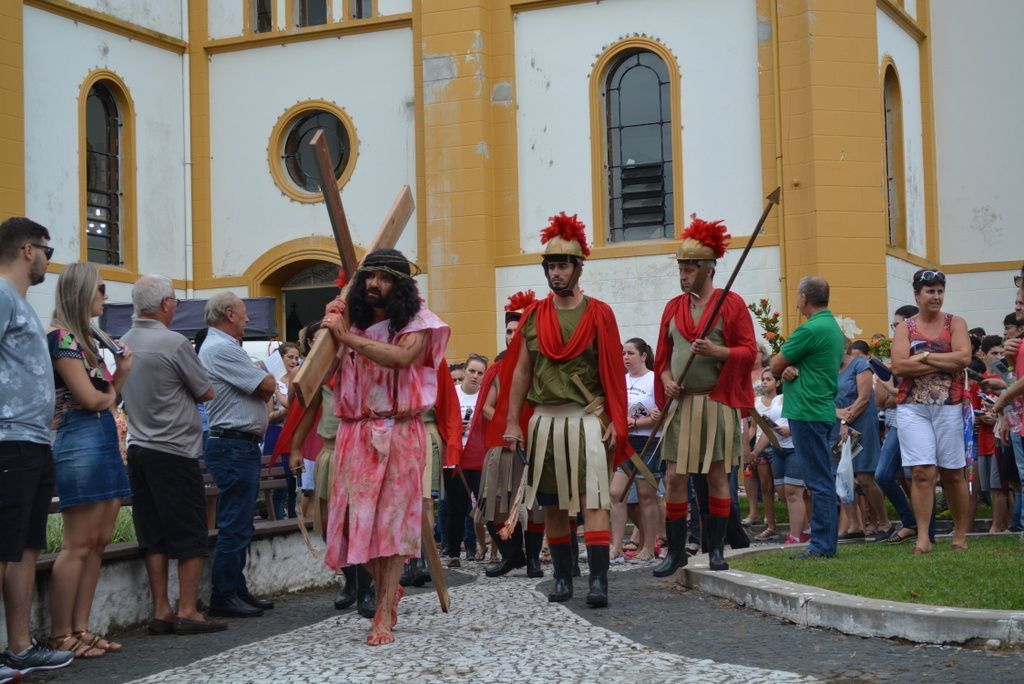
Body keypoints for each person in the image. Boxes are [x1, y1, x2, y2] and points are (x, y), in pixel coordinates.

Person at [488, 212, 630, 608]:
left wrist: (616, 421)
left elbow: (614, 373)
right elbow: (520, 373)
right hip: (545, 423)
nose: (557, 272)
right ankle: (563, 578)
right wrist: (513, 421)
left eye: (563, 264)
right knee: (551, 504)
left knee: (593, 500)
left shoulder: (600, 313)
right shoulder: (533, 315)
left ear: (578, 267)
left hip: (586, 420)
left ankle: (598, 581)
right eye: (551, 265)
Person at [321, 248, 450, 646]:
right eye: (369, 277)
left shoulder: (418, 323)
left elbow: (402, 357)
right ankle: (386, 590)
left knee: (391, 524)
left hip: (399, 432)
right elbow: (321, 373)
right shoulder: (349, 323)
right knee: (360, 523)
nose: (375, 285)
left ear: (401, 286)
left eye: (384, 278)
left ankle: (382, 613)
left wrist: (346, 338)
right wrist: (331, 332)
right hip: (355, 433)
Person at [119, 275, 225, 635]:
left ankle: (161, 608)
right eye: (176, 301)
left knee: (153, 532)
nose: (176, 306)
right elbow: (206, 391)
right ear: (164, 304)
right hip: (174, 448)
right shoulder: (173, 343)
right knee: (190, 531)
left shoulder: (125, 342)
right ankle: (189, 608)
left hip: (139, 447)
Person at [652, 216, 757, 576]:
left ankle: (716, 550)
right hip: (682, 404)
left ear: (709, 269)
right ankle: (676, 551)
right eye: (680, 268)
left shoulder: (732, 304)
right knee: (675, 476)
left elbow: (749, 352)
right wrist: (666, 380)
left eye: (689, 268)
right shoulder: (672, 308)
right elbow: (662, 360)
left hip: (716, 401)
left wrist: (719, 353)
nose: (683, 275)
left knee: (716, 476)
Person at [46, 262, 133, 657]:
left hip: (98, 433)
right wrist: (117, 383)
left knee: (97, 542)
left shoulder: (89, 338)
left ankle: (81, 628)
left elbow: (105, 397)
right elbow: (92, 398)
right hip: (80, 435)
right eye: (100, 289)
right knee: (78, 544)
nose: (106, 296)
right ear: (81, 292)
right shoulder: (62, 337)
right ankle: (61, 633)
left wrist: (117, 381)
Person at [0, 217, 75, 677]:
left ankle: (21, 648)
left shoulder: (22, 302)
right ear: (28, 250)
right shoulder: (3, 295)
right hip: (8, 438)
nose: (50, 258)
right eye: (47, 249)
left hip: (31, 439)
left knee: (26, 547)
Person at [199, 292, 278, 617]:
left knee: (241, 521)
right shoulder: (222, 349)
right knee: (235, 522)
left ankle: (236, 588)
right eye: (244, 314)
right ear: (230, 314)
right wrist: (261, 374)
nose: (248, 320)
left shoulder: (221, 347)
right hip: (233, 445)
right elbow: (268, 386)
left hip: (237, 444)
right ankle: (224, 594)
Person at [891, 269, 971, 554]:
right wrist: (943, 362)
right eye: (930, 291)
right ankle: (923, 537)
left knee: (953, 472)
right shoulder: (905, 328)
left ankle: (960, 535)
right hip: (913, 407)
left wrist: (923, 356)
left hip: (949, 406)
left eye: (939, 291)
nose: (936, 296)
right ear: (917, 294)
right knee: (922, 472)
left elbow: (963, 357)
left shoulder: (955, 323)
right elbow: (899, 366)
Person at [769, 276, 845, 559]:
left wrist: (786, 366)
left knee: (818, 481)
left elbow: (776, 363)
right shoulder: (832, 328)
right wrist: (790, 368)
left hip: (807, 411)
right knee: (822, 478)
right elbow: (791, 366)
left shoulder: (809, 329)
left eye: (797, 296)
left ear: (803, 298)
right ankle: (824, 542)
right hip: (821, 409)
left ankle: (823, 545)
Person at [475, 290, 547, 579]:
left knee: (536, 503)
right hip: (502, 443)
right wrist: (509, 423)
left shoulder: (542, 368)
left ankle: (533, 561)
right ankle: (513, 555)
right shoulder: (497, 369)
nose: (512, 335)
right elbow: (488, 408)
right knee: (492, 505)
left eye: (517, 329)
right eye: (508, 330)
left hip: (536, 441)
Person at [610, 338, 662, 563]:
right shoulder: (621, 381)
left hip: (648, 443)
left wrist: (637, 423)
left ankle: (649, 547)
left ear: (643, 356)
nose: (625, 357)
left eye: (630, 353)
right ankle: (617, 546)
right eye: (623, 353)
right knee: (616, 492)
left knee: (646, 495)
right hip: (626, 443)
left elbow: (660, 415)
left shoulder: (654, 380)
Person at [833, 341, 889, 540]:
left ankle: (884, 522)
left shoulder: (859, 365)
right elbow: (821, 399)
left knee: (864, 477)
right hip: (836, 428)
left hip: (861, 425)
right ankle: (854, 526)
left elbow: (864, 398)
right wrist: (836, 415)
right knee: (842, 475)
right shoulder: (826, 369)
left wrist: (845, 420)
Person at [874, 305, 920, 544]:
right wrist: (889, 380)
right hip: (896, 425)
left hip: (918, 422)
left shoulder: (923, 353)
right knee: (882, 475)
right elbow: (882, 402)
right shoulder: (894, 356)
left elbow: (912, 394)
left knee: (919, 478)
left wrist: (896, 392)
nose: (894, 330)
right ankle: (910, 522)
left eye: (897, 325)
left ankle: (924, 529)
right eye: (894, 326)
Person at [749, 369, 806, 544]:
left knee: (793, 491)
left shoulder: (802, 394)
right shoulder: (776, 400)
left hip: (796, 448)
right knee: (781, 492)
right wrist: (755, 451)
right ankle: (806, 528)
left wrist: (791, 429)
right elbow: (768, 430)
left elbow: (808, 419)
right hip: (778, 449)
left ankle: (795, 535)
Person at [444, 353, 488, 566]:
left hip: (478, 458)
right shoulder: (452, 394)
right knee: (456, 507)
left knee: (486, 506)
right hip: (454, 457)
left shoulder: (485, 397)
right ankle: (453, 553)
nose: (475, 376)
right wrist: (452, 427)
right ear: (465, 372)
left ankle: (499, 551)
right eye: (471, 371)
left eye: (480, 373)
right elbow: (440, 420)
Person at [266, 342, 301, 520]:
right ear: (280, 358)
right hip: (277, 433)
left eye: (297, 357)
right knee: (279, 486)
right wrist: (286, 412)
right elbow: (268, 416)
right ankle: (277, 522)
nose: (294, 361)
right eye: (290, 357)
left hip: (297, 434)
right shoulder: (272, 382)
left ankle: (296, 521)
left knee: (296, 484)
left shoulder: (300, 378)